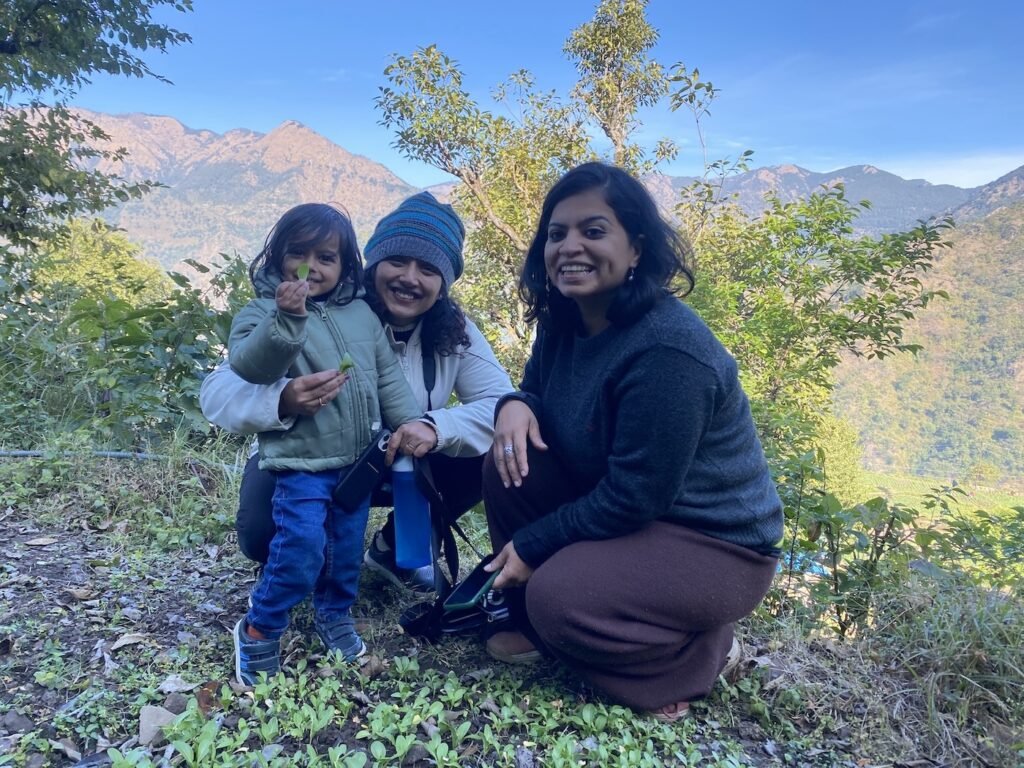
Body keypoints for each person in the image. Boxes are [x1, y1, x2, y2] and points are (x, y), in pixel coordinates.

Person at [481, 162, 784, 722]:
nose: (570, 246)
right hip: (631, 515)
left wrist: (533, 545)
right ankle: (537, 624)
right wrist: (513, 406)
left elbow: (635, 496)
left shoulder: (668, 352)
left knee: (560, 599)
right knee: (507, 460)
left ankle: (703, 654)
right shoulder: (564, 319)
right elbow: (538, 394)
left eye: (593, 231)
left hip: (715, 545)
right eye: (556, 233)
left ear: (637, 249)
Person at [200, 192, 513, 595]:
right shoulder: (318, 308)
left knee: (494, 450)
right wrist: (283, 399)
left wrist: (435, 427)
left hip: (400, 464)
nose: (410, 278)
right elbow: (219, 391)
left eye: (428, 268)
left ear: (444, 282)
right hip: (307, 455)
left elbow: (501, 404)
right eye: (398, 261)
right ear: (372, 265)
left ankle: (395, 547)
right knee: (260, 534)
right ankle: (301, 557)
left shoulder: (456, 331)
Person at [227, 202, 423, 685]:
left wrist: (412, 425)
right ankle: (259, 628)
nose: (311, 267)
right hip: (299, 461)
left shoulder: (360, 314)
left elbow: (387, 379)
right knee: (302, 548)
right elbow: (252, 367)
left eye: (327, 257)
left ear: (345, 266)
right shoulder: (261, 313)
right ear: (276, 258)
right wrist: (288, 319)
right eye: (299, 253)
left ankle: (334, 616)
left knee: (345, 551)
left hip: (356, 462)